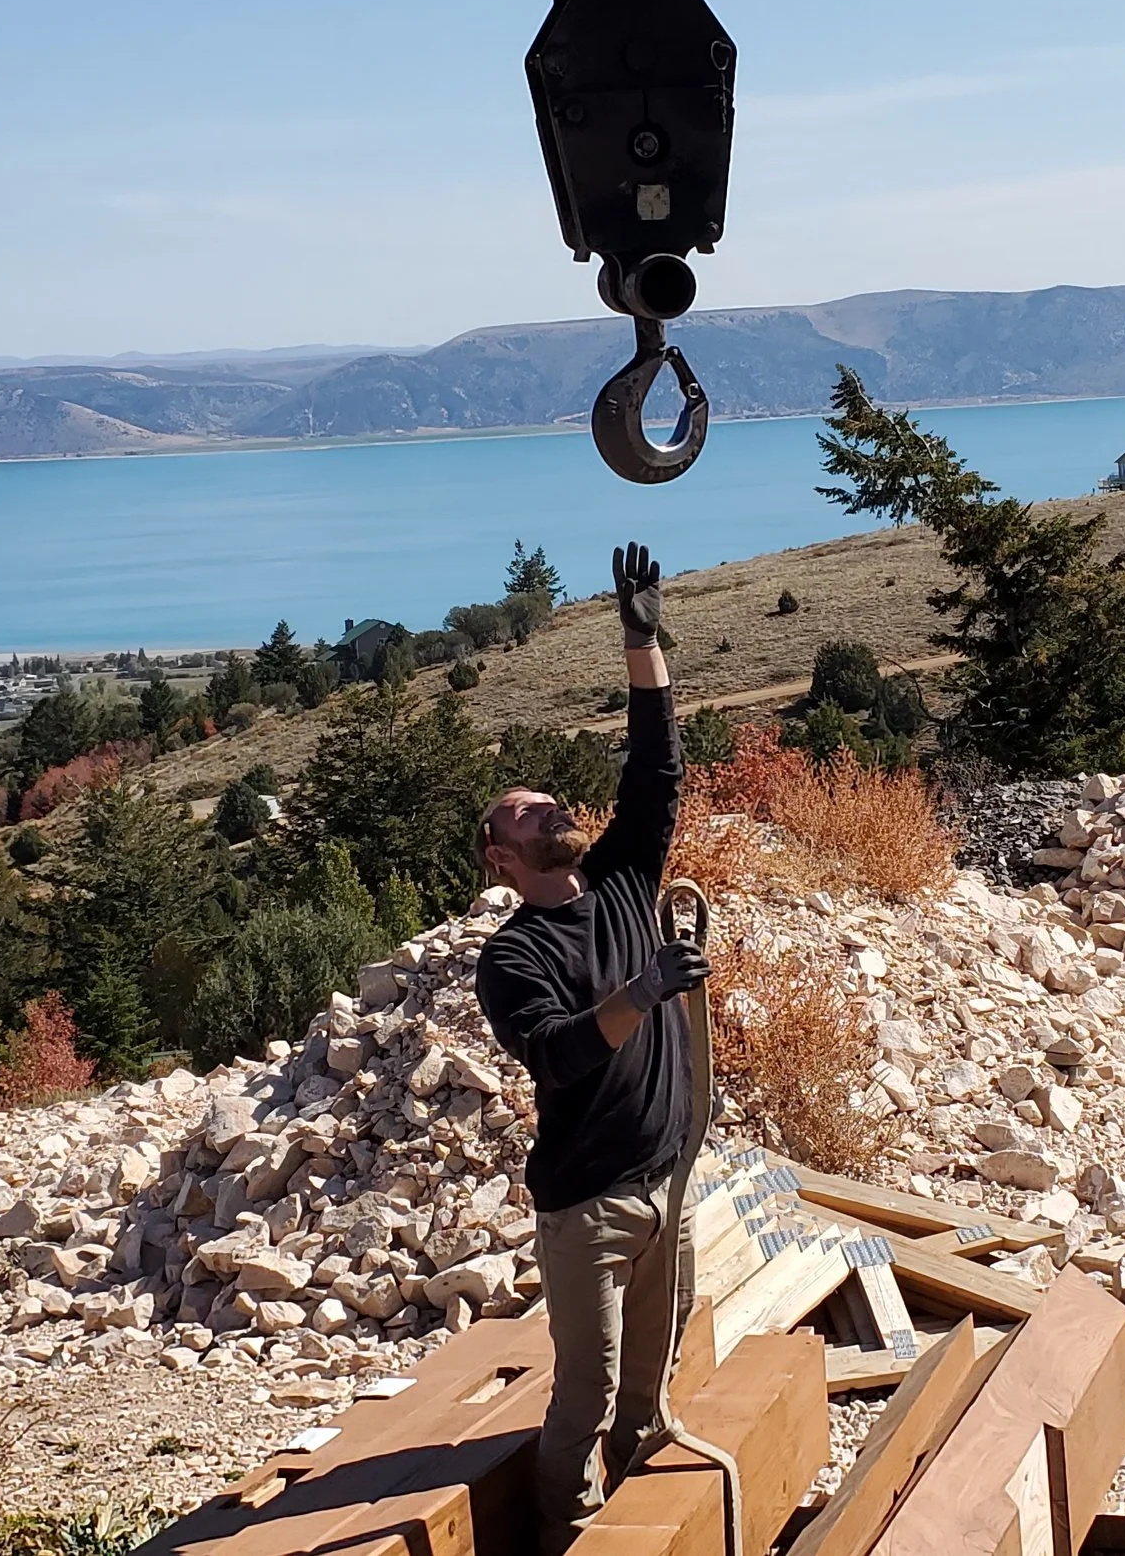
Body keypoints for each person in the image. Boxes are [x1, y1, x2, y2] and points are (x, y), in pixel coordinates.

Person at [474, 541, 711, 1554]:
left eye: (552, 802)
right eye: (528, 811)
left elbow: (656, 761)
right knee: (586, 1392)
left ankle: (650, 1514)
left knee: (652, 1382)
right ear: (500, 855)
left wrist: (640, 638)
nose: (553, 809)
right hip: (591, 1210)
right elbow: (561, 1053)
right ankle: (568, 1532)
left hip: (667, 1183)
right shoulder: (511, 955)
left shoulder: (620, 876)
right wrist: (641, 990)